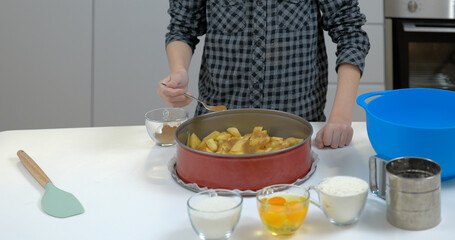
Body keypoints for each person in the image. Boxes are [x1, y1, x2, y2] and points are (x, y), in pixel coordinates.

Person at [158, 0, 370, 149]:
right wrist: (179, 70)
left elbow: (350, 33)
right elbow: (182, 28)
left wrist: (340, 117)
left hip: (298, 133)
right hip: (217, 134)